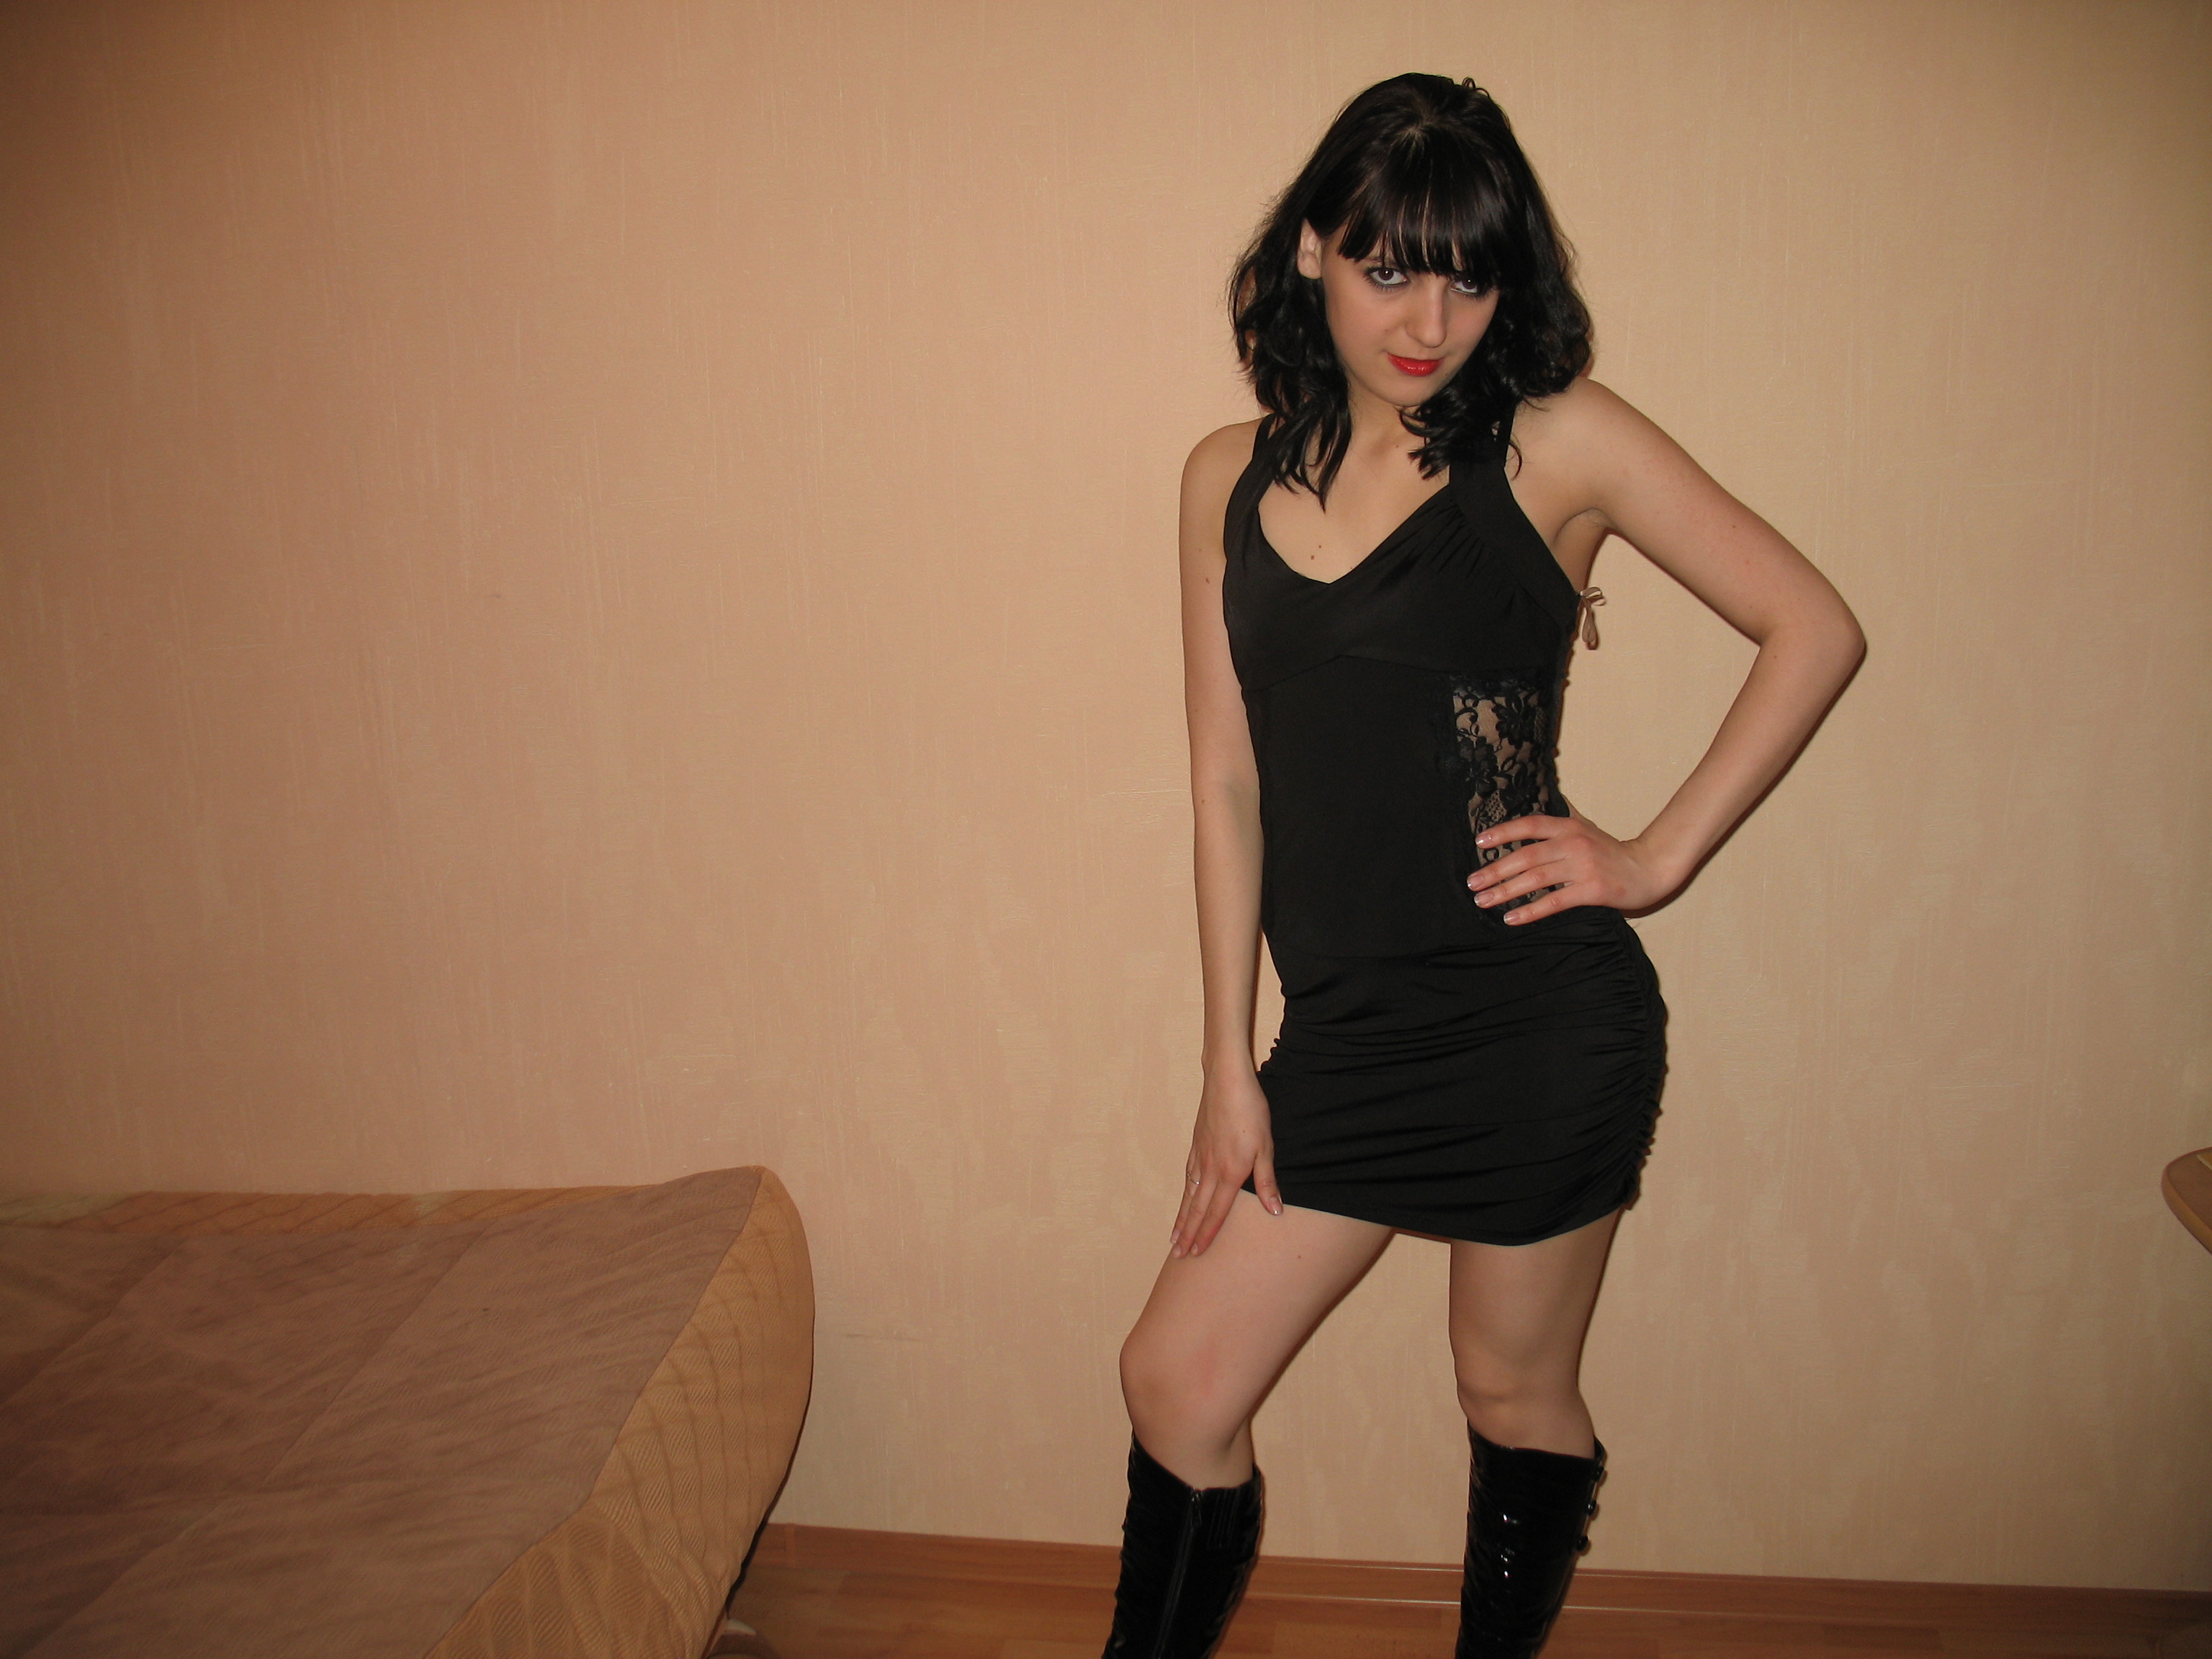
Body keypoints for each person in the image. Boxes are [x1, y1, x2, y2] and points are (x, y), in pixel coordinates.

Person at [1097, 73, 1865, 1659]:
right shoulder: (1221, 478)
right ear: (1312, 249)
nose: (1429, 319)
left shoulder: (1554, 444)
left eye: (1468, 275)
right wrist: (1227, 1065)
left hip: (1536, 1025)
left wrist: (1652, 858)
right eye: (1390, 267)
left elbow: (1813, 627)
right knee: (1175, 1382)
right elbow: (1226, 782)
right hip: (1344, 1031)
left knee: (1509, 1388)